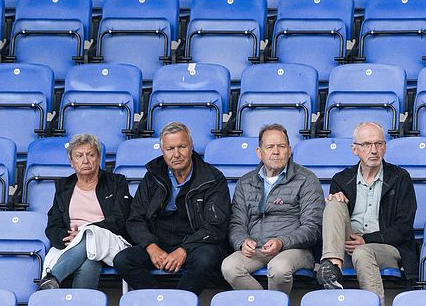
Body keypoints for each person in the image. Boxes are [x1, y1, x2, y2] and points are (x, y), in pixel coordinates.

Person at [113, 122, 231, 295]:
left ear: (191, 147)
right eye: (170, 148)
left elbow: (216, 225)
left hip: (197, 243)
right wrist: (151, 246)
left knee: (205, 259)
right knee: (123, 260)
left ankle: (179, 301)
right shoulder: (153, 176)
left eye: (182, 146)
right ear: (163, 151)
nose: (176, 154)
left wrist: (184, 249)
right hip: (159, 241)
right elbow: (135, 218)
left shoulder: (213, 178)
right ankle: (159, 299)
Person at [315, 122, 417, 306]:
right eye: (366, 145)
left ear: (385, 148)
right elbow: (335, 220)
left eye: (379, 144)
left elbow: (404, 228)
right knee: (333, 203)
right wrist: (335, 200)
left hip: (386, 248)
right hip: (346, 246)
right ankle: (332, 267)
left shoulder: (400, 178)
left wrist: (366, 240)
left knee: (362, 252)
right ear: (355, 149)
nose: (374, 150)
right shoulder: (341, 179)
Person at [221, 123, 324, 294]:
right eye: (270, 147)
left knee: (279, 268)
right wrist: (242, 242)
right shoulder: (245, 182)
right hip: (257, 249)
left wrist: (282, 241)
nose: (276, 152)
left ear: (289, 151)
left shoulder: (307, 179)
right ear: (259, 153)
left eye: (281, 146)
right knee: (230, 267)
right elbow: (236, 223)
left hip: (294, 249)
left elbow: (313, 227)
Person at [39, 133, 133, 290]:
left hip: (108, 238)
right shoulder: (63, 187)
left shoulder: (117, 182)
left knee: (89, 237)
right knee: (90, 262)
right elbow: (52, 225)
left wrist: (84, 232)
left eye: (91, 155)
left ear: (98, 158)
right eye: (79, 156)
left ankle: (52, 278)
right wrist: (66, 237)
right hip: (75, 245)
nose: (85, 161)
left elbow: (120, 218)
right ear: (71, 162)